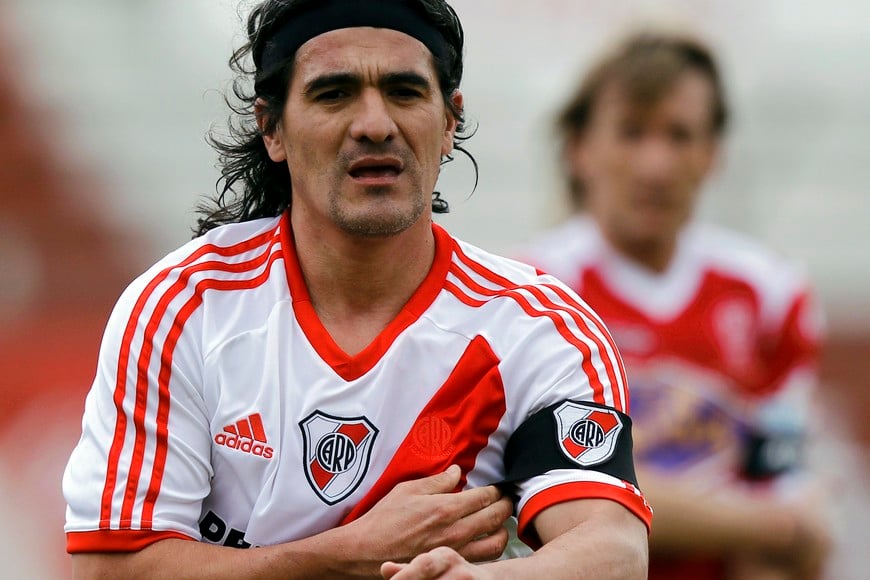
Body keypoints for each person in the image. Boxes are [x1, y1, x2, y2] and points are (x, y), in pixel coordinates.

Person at [62, 1, 651, 578]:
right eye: (334, 93)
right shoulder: (183, 309)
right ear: (273, 129)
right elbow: (107, 567)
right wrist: (342, 556)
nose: (375, 124)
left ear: (449, 122)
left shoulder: (539, 329)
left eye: (404, 91)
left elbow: (612, 551)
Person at [518, 30, 831, 580]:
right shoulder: (532, 295)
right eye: (632, 133)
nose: (655, 164)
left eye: (680, 135)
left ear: (713, 154)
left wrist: (779, 529)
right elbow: (586, 512)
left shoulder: (769, 294)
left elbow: (795, 505)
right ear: (578, 149)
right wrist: (764, 524)